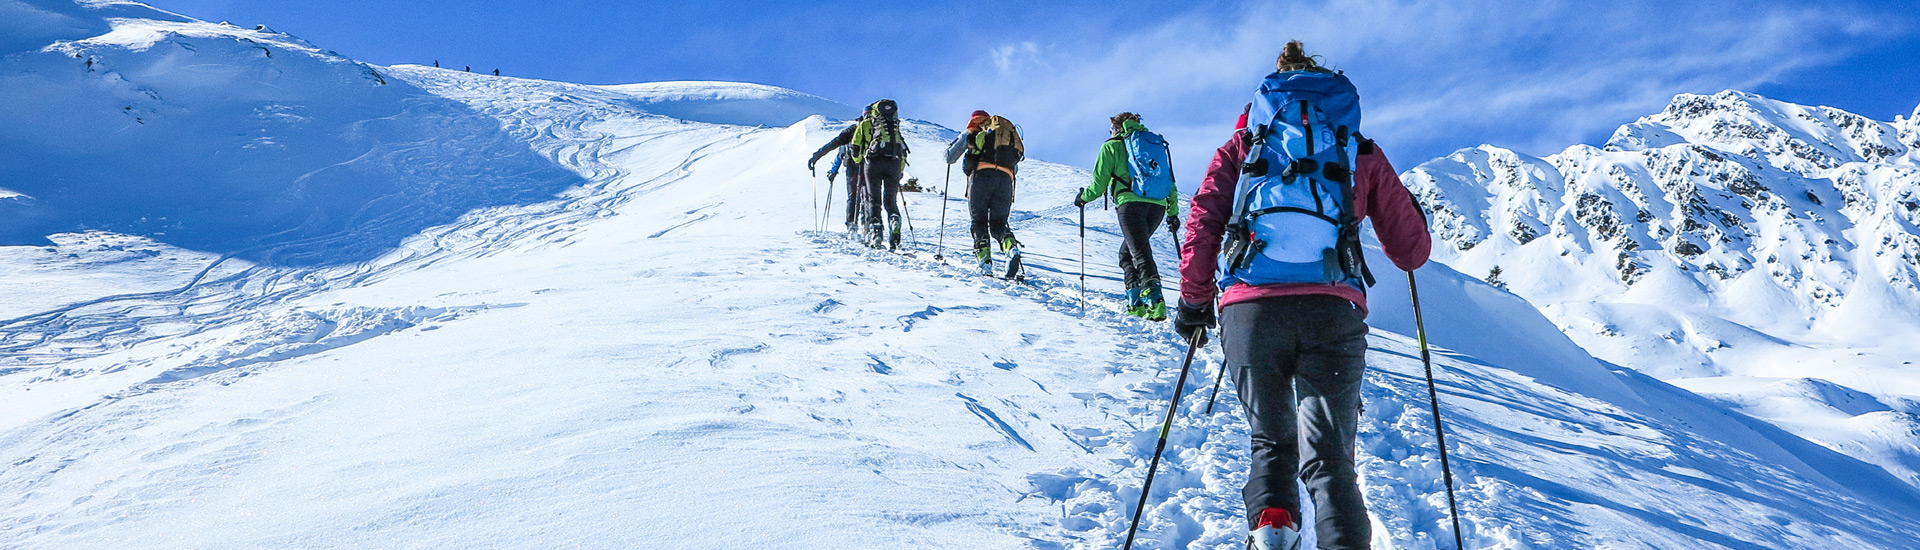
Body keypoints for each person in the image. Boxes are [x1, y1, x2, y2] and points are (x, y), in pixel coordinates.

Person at [1172, 41, 1431, 550]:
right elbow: (1411, 252)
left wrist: (1194, 301)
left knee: (1271, 442)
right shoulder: (1356, 147)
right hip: (1332, 309)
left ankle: (1272, 533)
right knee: (1331, 460)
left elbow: (1203, 220)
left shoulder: (1243, 145)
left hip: (1250, 310)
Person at [1075, 112, 1179, 320]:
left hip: (1130, 204)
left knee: (1139, 252)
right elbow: (1169, 180)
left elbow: (1099, 183)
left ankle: (1155, 300)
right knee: (1127, 253)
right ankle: (1135, 302)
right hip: (1157, 206)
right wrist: (1172, 213)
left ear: (1116, 127)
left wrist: (1083, 198)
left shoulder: (1112, 146)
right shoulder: (1153, 144)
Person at [959, 110, 1025, 276]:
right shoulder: (1004, 139)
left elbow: (965, 165)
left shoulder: (977, 135)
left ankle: (985, 262)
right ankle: (1011, 249)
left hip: (980, 179)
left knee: (979, 222)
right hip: (1005, 182)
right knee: (999, 224)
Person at [849, 99, 911, 249]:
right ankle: (894, 220)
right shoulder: (893, 127)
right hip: (894, 164)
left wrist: (860, 161)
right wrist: (900, 170)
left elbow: (855, 146)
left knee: (873, 200)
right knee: (890, 200)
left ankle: (876, 233)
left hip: (873, 164)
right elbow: (901, 149)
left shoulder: (865, 124)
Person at [807, 106, 872, 232]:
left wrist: (832, 171)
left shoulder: (852, 131)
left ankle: (851, 226)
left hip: (852, 168)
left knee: (853, 197)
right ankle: (867, 227)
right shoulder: (875, 131)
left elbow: (840, 153)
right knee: (867, 197)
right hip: (869, 168)